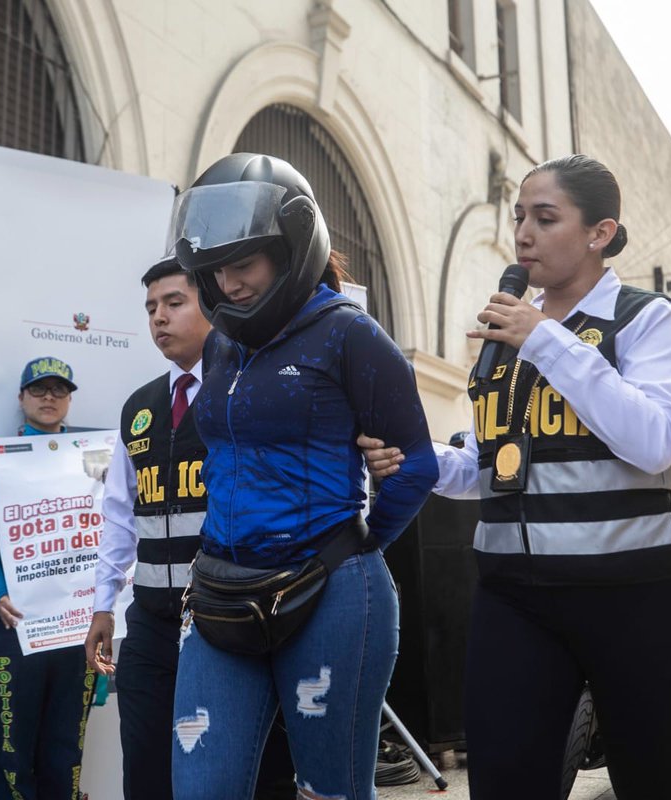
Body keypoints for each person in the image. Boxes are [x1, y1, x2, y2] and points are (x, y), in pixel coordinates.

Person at [364, 155, 671, 799]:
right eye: (520, 216)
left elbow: (654, 441)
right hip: (513, 598)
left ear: (599, 233)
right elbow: (491, 467)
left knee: (657, 782)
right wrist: (417, 458)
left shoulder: (645, 318)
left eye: (545, 218)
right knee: (503, 782)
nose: (523, 233)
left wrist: (546, 340)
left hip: (637, 595)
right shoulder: (512, 337)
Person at [166, 153, 439, 799]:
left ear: (290, 249)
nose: (228, 284)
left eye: (245, 264)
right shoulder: (221, 344)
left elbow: (417, 461)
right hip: (220, 592)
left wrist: (364, 543)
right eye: (215, 269)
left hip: (331, 596)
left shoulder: (349, 333)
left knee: (330, 793)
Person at [83, 257, 295, 799]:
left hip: (231, 615)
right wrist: (103, 605)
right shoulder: (141, 408)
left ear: (210, 303)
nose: (159, 317)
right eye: (151, 307)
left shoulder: (248, 387)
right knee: (148, 770)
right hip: (152, 622)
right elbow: (119, 517)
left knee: (249, 770)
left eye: (174, 303)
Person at [0, 356, 96, 799]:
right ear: (21, 398)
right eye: (38, 390)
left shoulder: (94, 462)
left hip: (73, 626)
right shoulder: (1, 463)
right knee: (10, 754)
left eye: (59, 390)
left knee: (66, 751)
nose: (48, 398)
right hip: (12, 622)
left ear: (69, 400)